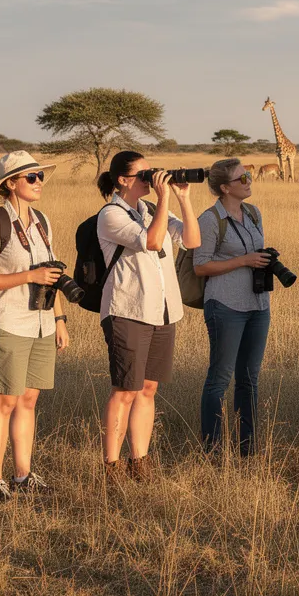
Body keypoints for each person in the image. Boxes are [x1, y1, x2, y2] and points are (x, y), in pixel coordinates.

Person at [0, 151, 69, 503]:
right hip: (7, 321)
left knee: (28, 400)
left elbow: (51, 274)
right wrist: (29, 276)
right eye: (31, 177)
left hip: (41, 322)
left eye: (40, 175)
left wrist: (59, 319)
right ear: (10, 184)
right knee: (5, 401)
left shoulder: (41, 220)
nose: (39, 181)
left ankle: (23, 475)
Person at [96, 150, 202, 483]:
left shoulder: (153, 209)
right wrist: (163, 195)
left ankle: (138, 461)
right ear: (124, 180)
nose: (151, 177)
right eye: (144, 174)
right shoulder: (111, 214)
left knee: (149, 388)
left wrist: (182, 199)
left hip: (163, 309)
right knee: (125, 390)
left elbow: (193, 240)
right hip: (128, 310)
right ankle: (111, 467)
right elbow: (153, 241)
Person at [192, 158, 272, 457]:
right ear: (224, 187)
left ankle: (247, 448)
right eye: (242, 178)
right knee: (220, 379)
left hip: (258, 304)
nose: (249, 181)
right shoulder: (210, 219)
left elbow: (255, 251)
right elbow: (200, 267)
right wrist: (243, 261)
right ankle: (212, 449)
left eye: (248, 175)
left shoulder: (253, 212)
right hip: (225, 304)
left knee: (249, 378)